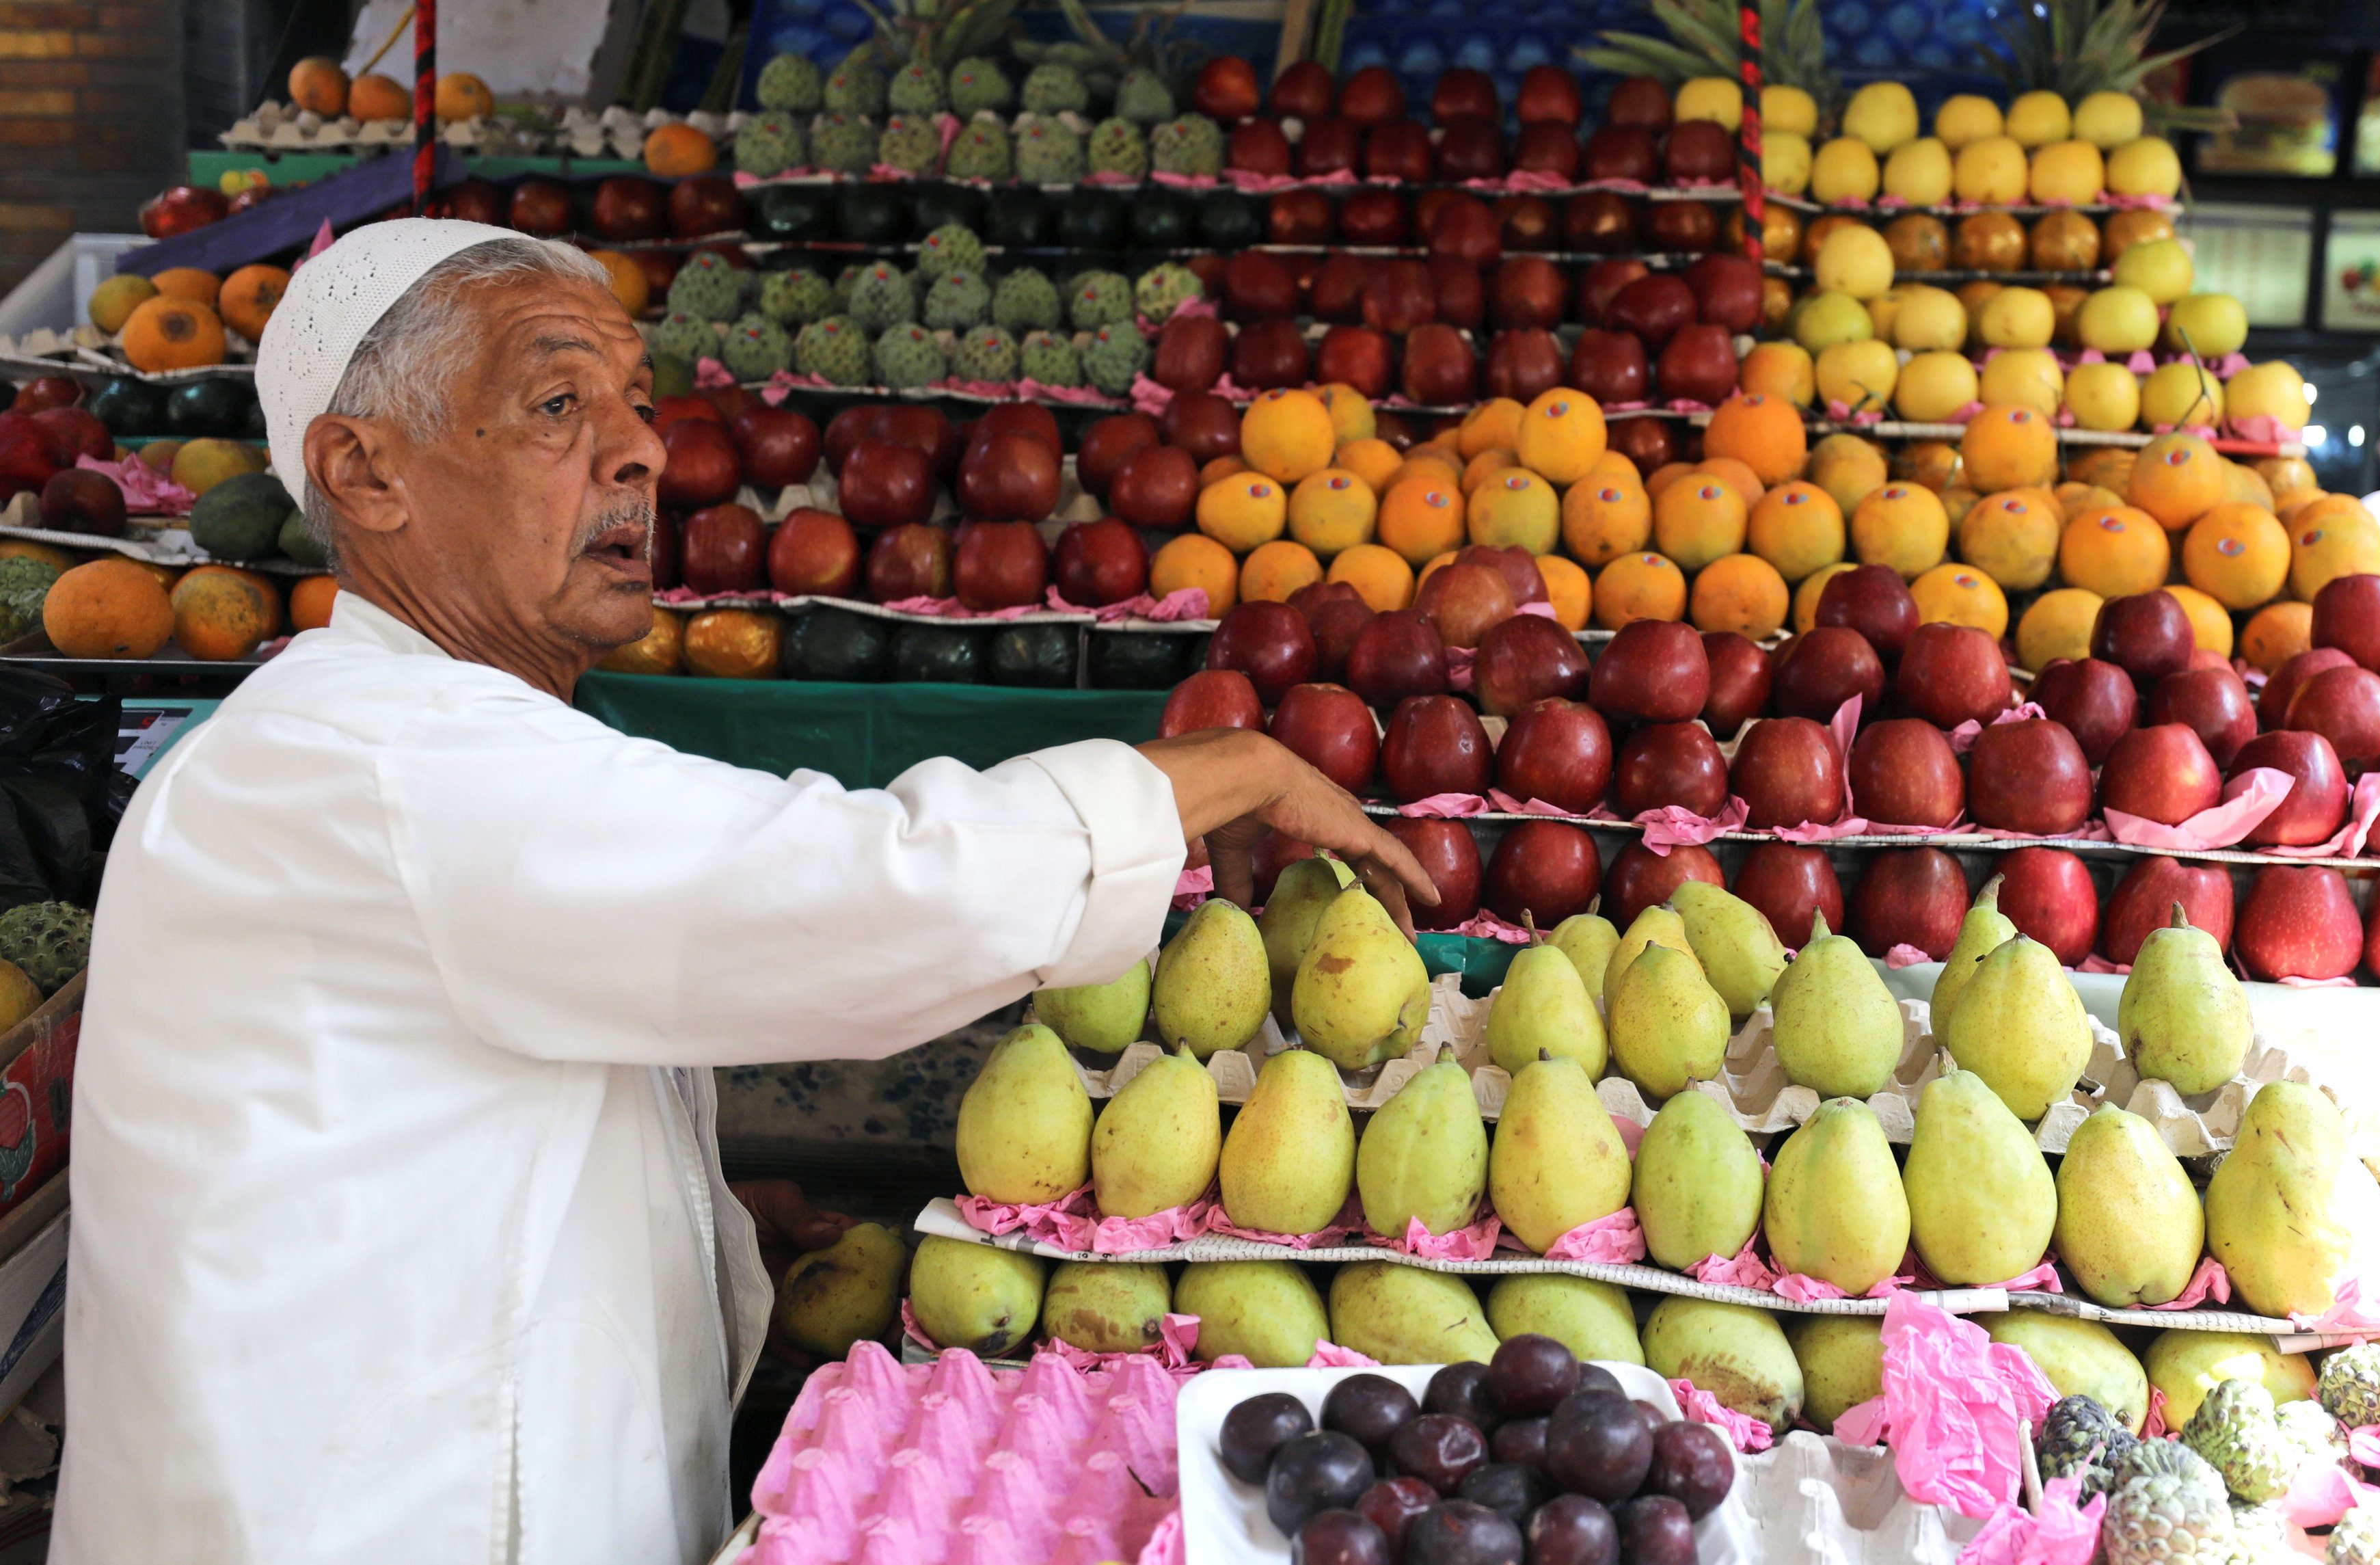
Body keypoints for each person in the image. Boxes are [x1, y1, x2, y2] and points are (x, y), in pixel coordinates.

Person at [53, 221, 1432, 1564]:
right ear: (362, 473)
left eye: (637, 405)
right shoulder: (382, 760)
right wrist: (1208, 771)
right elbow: (866, 895)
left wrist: (677, 1219)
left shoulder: (405, 740)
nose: (643, 447)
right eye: (554, 401)